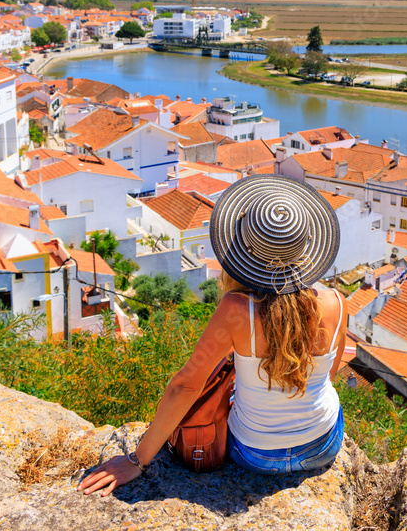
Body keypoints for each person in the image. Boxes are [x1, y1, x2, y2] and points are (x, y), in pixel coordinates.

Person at [78, 174, 346, 496]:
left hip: (254, 455)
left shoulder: (237, 310)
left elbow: (186, 386)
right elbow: (327, 376)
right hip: (321, 446)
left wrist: (138, 460)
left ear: (243, 253)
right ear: (305, 248)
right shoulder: (335, 303)